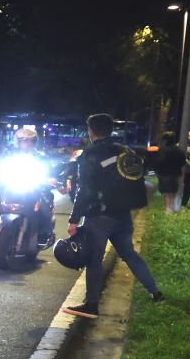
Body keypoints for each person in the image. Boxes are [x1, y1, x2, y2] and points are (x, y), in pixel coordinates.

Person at [64, 114, 162, 319]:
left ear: (91, 131)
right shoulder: (124, 151)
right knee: (129, 254)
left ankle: (91, 305)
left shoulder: (91, 154)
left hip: (99, 217)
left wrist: (74, 220)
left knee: (94, 261)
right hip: (123, 215)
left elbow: (85, 191)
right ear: (110, 130)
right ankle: (155, 291)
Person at [149, 132, 185, 214]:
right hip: (175, 173)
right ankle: (171, 206)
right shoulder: (178, 150)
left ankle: (168, 208)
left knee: (167, 191)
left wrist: (156, 169)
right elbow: (183, 162)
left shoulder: (162, 150)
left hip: (164, 173)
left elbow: (158, 161)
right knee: (172, 190)